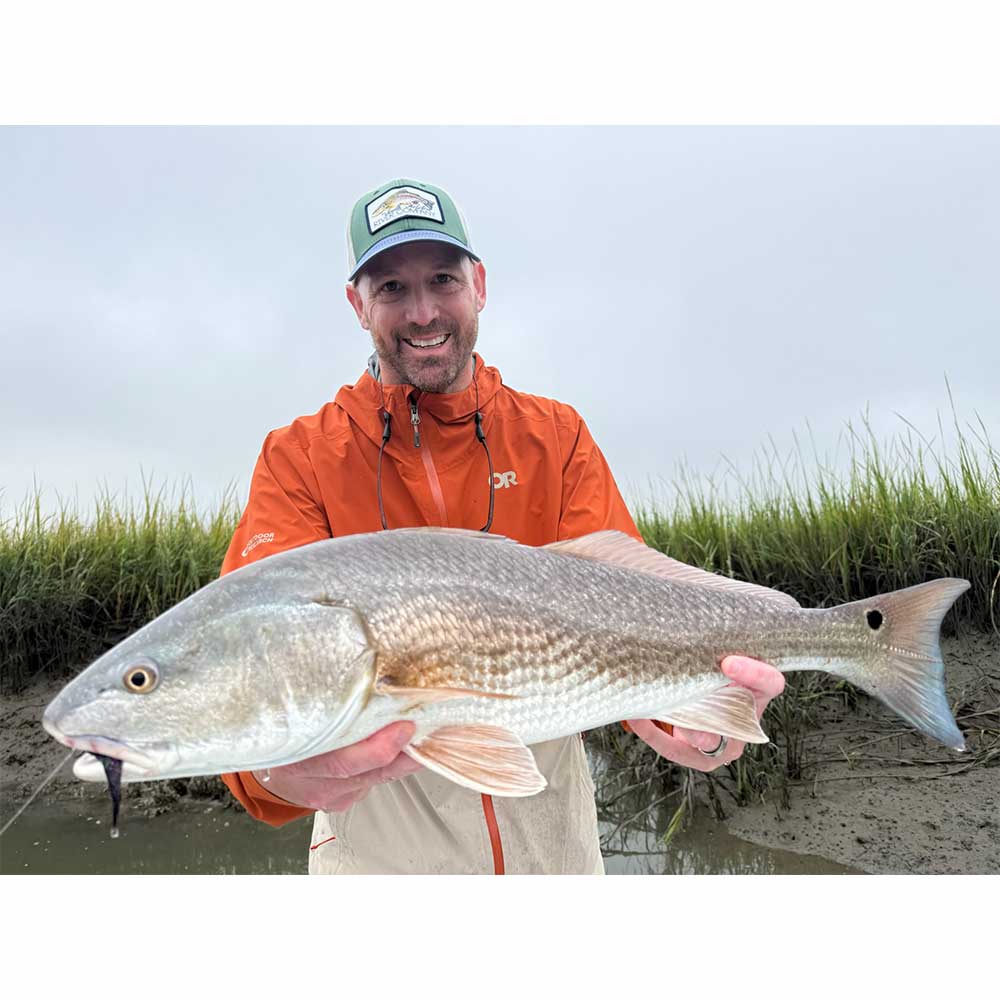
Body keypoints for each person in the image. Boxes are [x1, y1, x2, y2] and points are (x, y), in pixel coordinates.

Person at [218, 178, 786, 874]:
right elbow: (249, 663)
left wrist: (698, 724)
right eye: (392, 287)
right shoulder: (300, 457)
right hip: (376, 863)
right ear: (357, 304)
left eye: (443, 279)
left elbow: (633, 616)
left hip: (554, 851)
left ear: (479, 285)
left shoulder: (556, 435)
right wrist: (272, 776)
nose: (423, 311)